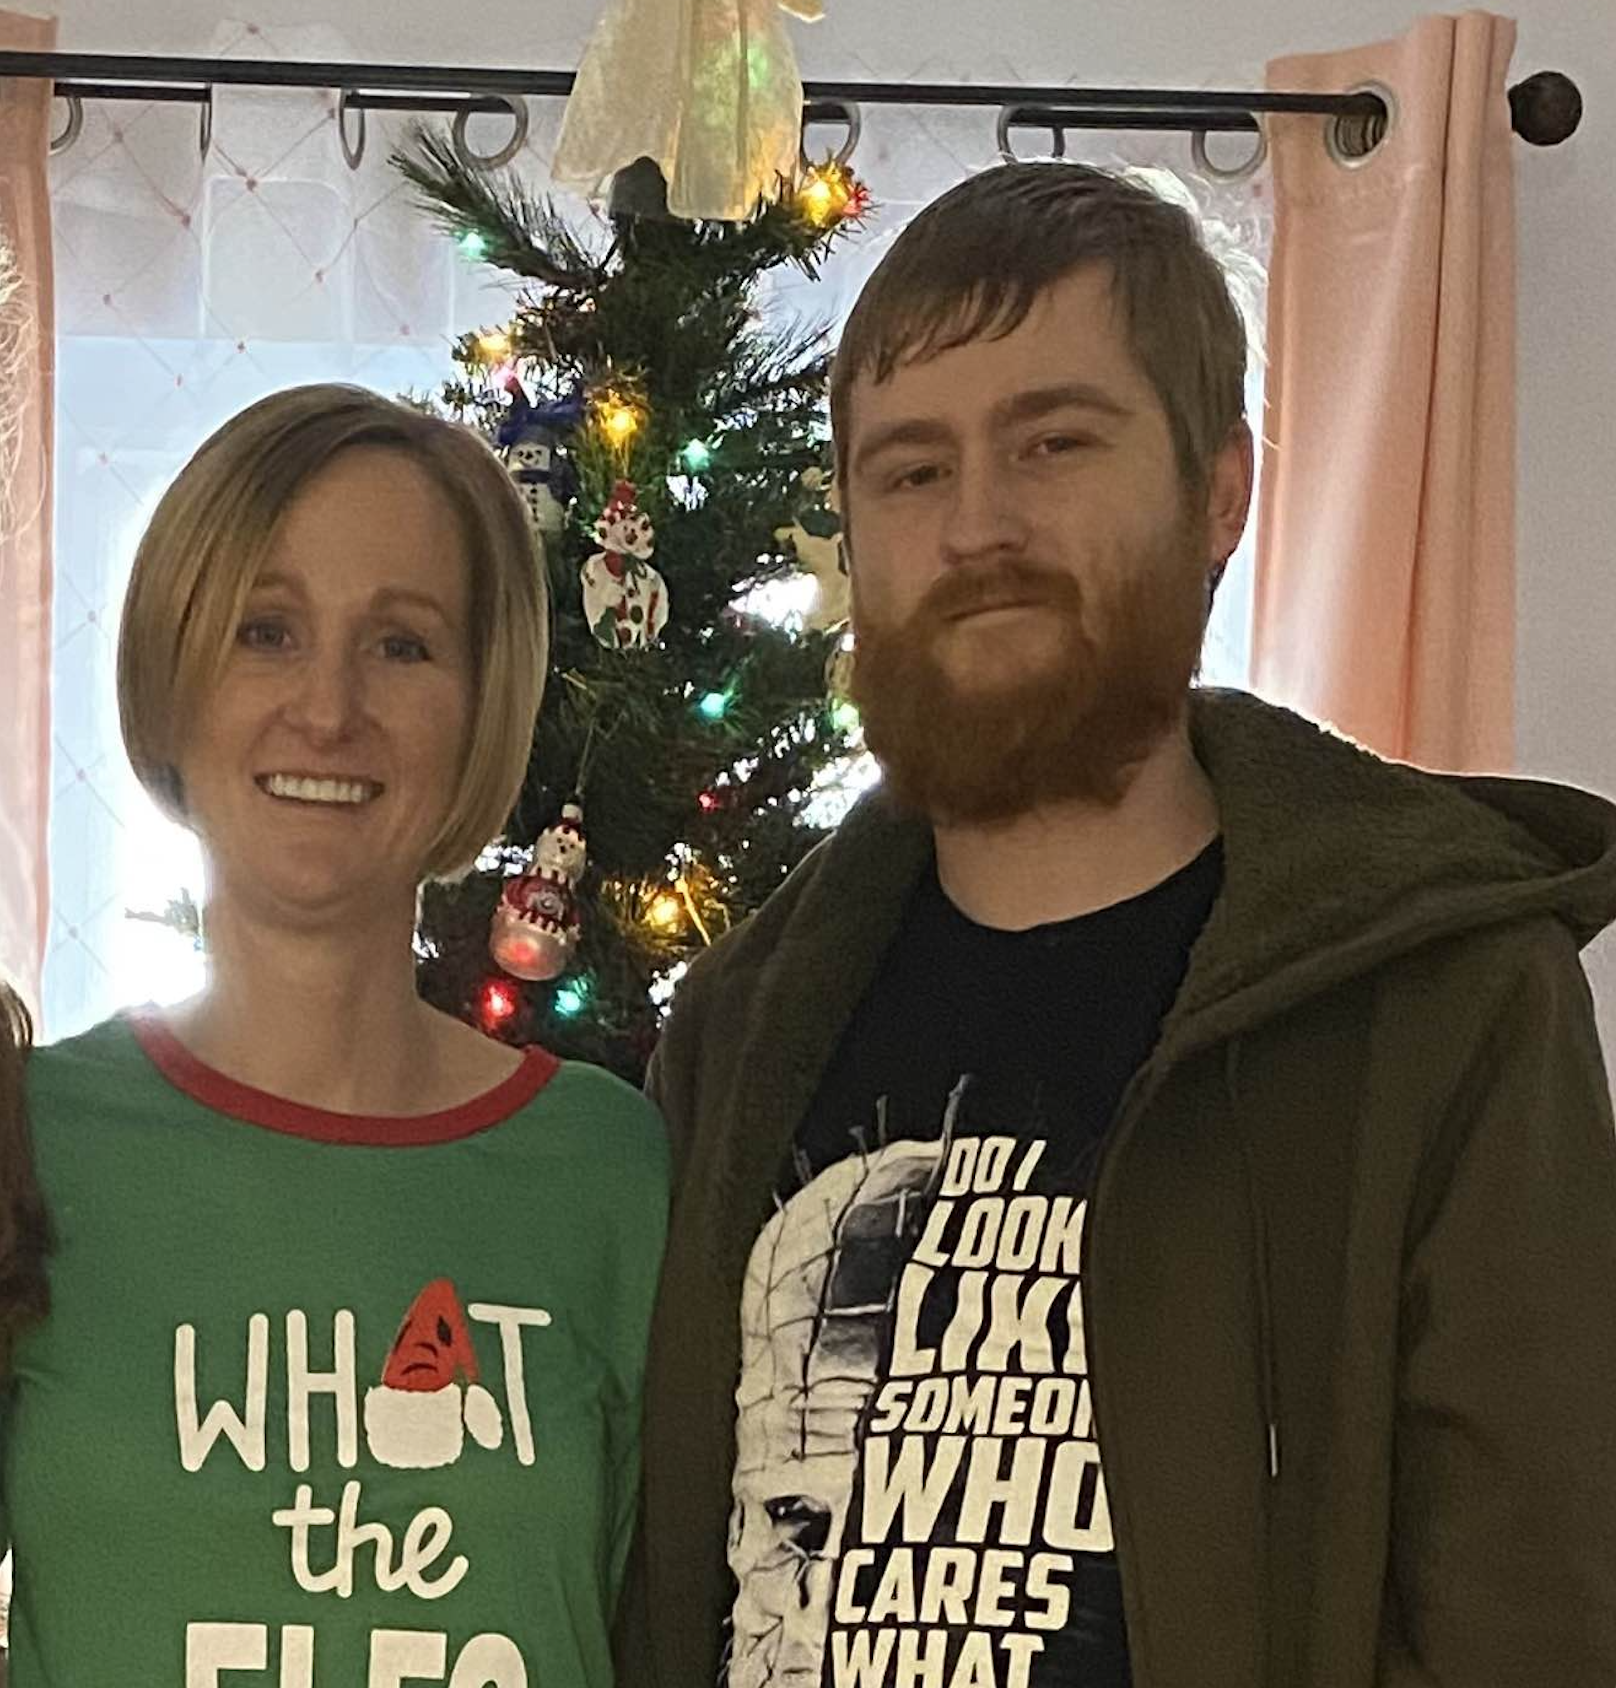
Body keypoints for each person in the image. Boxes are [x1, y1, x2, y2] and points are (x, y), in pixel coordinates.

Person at [622, 162, 1616, 1688]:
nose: (978, 525)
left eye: (1054, 442)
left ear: (1221, 491)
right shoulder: (737, 1031)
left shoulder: (1449, 1001)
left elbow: (1529, 1622)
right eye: (910, 471)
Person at [0, 387, 666, 1685]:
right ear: (173, 673)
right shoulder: (34, 1139)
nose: (327, 706)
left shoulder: (612, 1171)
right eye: (266, 631)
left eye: (403, 645)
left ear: (482, 708)